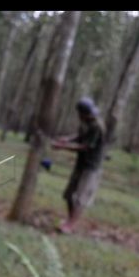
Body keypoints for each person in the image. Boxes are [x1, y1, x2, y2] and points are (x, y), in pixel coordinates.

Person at [51, 97, 105, 234]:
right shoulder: (85, 123)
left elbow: (86, 147)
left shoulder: (97, 126)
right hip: (80, 164)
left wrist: (62, 147)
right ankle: (70, 220)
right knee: (69, 195)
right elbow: (80, 136)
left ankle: (70, 225)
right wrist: (67, 139)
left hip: (91, 167)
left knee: (80, 199)